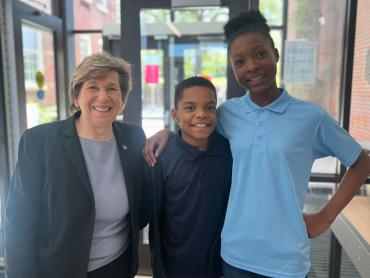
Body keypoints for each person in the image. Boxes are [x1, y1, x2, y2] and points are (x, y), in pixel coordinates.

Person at [143, 10, 370, 278]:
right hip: (234, 257)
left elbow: (361, 161)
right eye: (240, 61)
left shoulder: (311, 117)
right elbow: (197, 126)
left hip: (287, 260)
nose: (251, 66)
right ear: (233, 68)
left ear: (275, 54)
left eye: (260, 54)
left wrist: (326, 216)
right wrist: (168, 133)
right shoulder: (228, 113)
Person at [5, 52, 149, 278]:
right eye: (93, 87)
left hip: (117, 267)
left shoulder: (134, 138)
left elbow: (142, 207)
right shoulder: (39, 142)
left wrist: (169, 135)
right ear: (76, 97)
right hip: (58, 270)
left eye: (112, 88)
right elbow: (19, 221)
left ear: (122, 99)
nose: (103, 97)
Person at [149, 76, 232, 278]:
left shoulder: (229, 152)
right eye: (190, 108)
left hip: (221, 267)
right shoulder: (163, 157)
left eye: (209, 108)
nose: (201, 114)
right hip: (175, 267)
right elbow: (156, 220)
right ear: (176, 115)